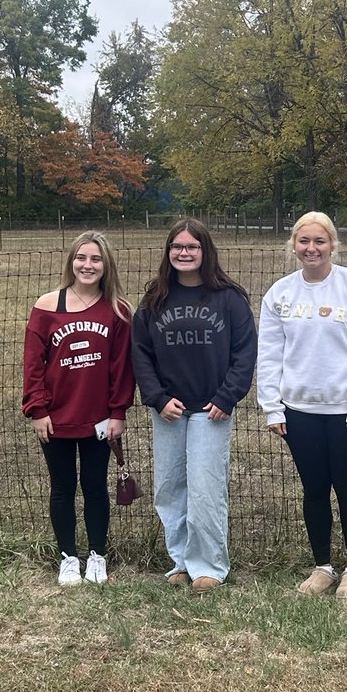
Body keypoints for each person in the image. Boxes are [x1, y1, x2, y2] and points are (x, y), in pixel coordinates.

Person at [257, 211, 347, 599]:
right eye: (304, 241)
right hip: (299, 411)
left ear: (332, 245)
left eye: (320, 241)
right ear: (293, 245)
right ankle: (322, 567)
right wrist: (272, 407)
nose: (312, 249)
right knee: (314, 489)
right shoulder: (280, 294)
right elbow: (270, 353)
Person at [131, 218, 257, 593]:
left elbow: (244, 353)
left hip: (210, 409)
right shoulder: (155, 298)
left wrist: (226, 396)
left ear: (205, 252)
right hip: (168, 408)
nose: (183, 253)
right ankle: (181, 561)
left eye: (192, 247)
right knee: (169, 487)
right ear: (168, 252)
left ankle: (210, 565)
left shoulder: (229, 298)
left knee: (205, 488)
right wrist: (155, 397)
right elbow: (140, 354)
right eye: (177, 247)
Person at [22, 231, 135, 586]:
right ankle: (68, 556)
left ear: (106, 265)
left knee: (96, 487)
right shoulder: (46, 306)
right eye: (82, 258)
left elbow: (122, 368)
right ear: (71, 261)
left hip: (98, 419)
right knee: (62, 488)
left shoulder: (117, 310)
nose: (88, 265)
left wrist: (117, 413)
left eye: (96, 259)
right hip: (54, 419)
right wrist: (37, 409)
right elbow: (33, 364)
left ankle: (97, 556)